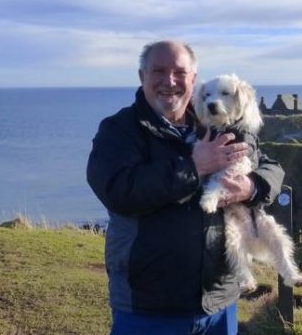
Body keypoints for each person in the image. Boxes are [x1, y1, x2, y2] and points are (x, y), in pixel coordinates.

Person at [86, 40, 285, 334]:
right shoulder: (119, 130)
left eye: (180, 72)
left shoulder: (215, 122)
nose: (170, 81)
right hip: (150, 307)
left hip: (219, 301)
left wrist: (251, 186)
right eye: (158, 71)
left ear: (193, 79)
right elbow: (119, 191)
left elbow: (271, 166)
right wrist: (193, 167)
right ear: (142, 76)